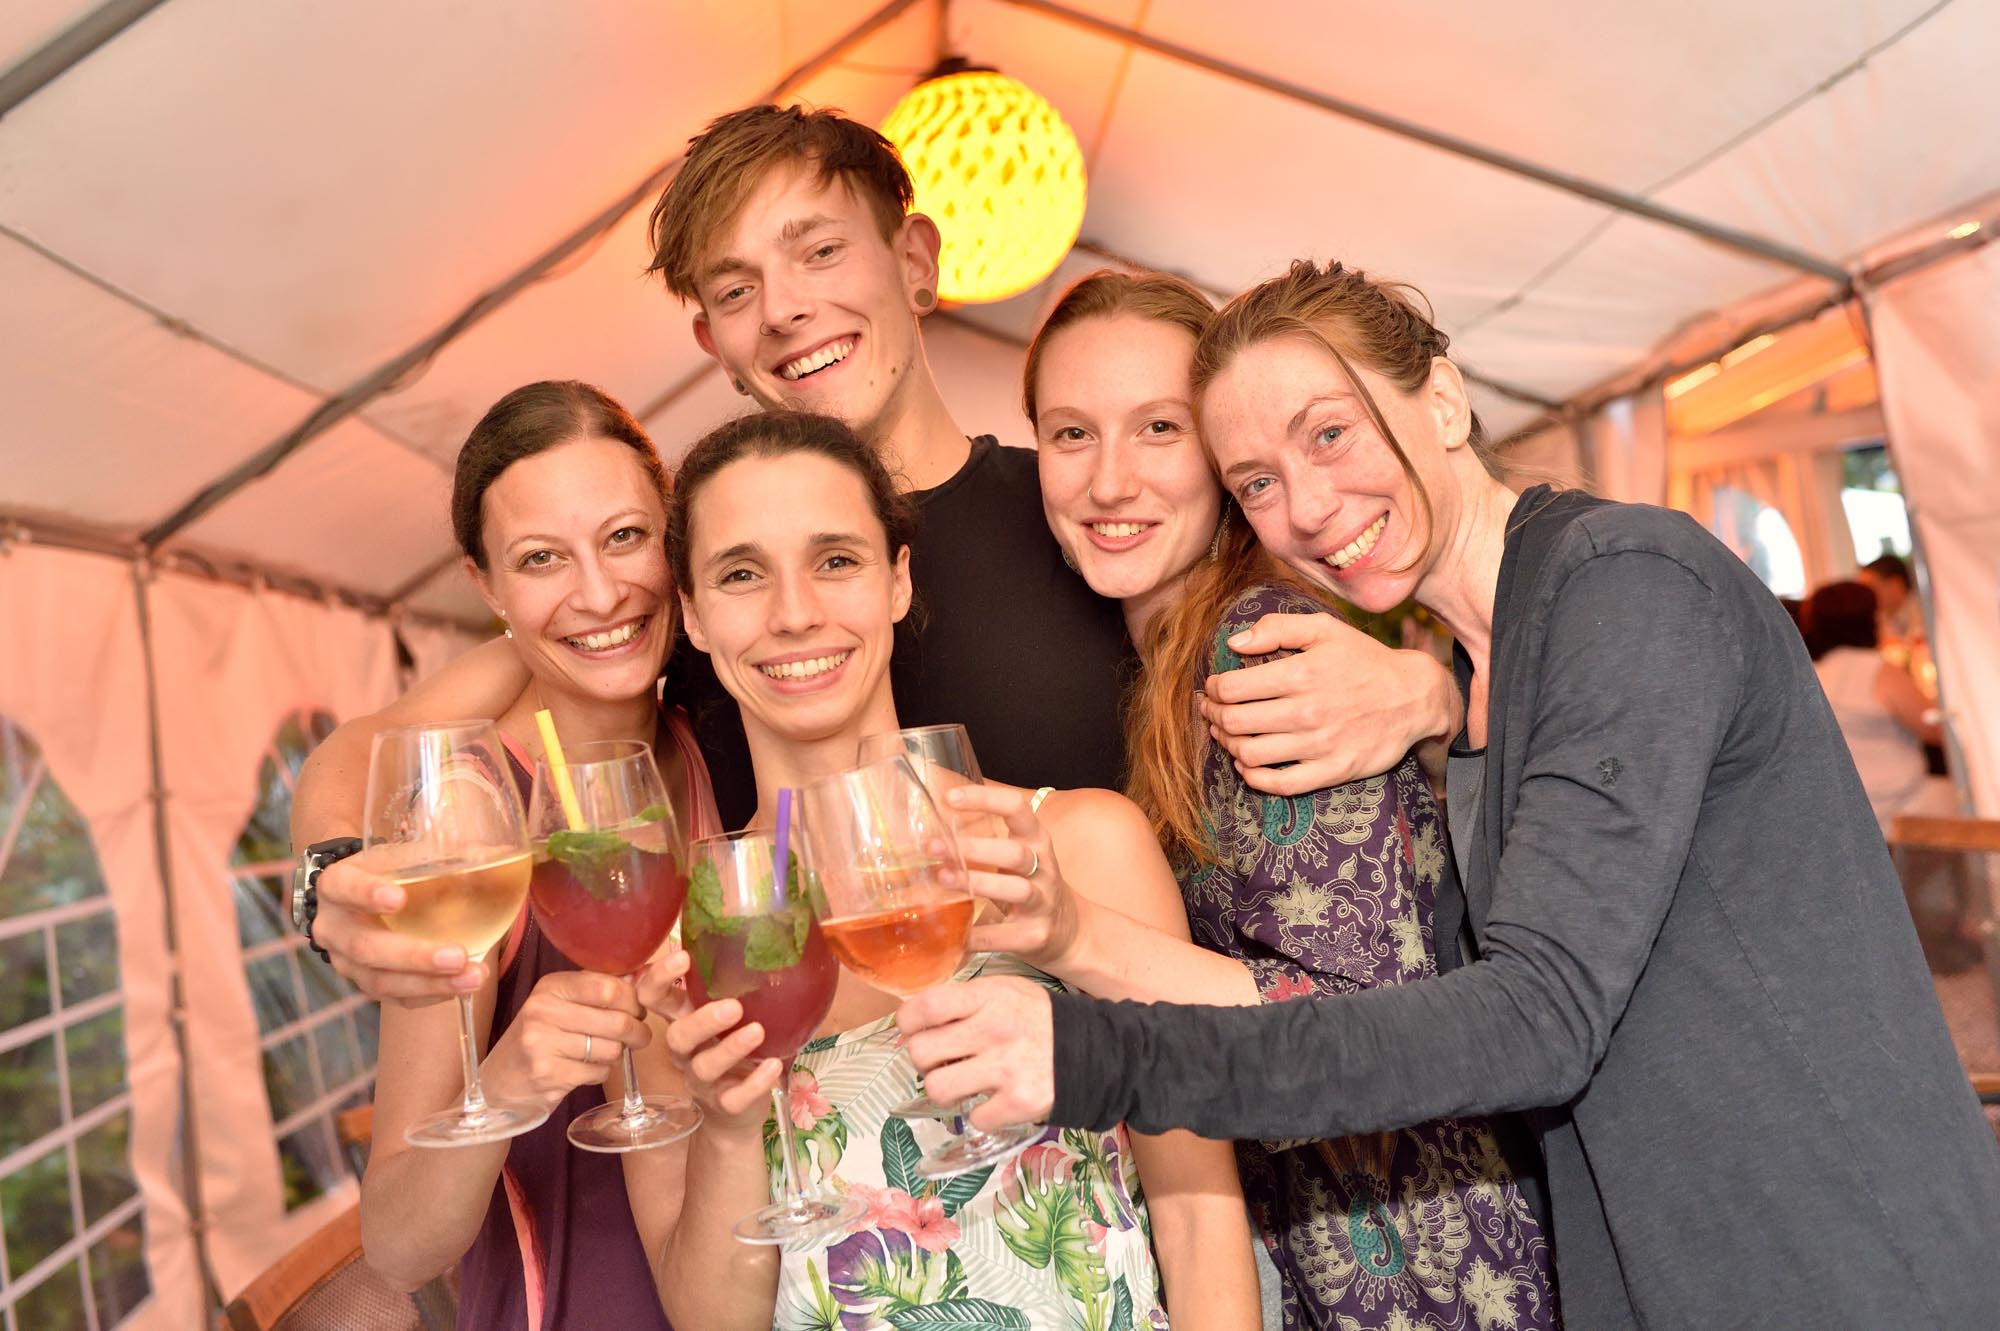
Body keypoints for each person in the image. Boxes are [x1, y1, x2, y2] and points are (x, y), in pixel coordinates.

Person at [899, 260, 2000, 1327]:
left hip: (1833, 1253)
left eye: (1329, 433)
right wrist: (1430, 697)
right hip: (1665, 1251)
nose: (1308, 504)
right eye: (1258, 481)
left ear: (1443, 399)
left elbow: (1536, 1017)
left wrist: (1095, 1045)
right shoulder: (1484, 671)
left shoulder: (1624, 580)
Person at [288, 102, 1460, 1009]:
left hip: (1152, 1116)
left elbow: (1268, 604)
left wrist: (1429, 691)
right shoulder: (709, 586)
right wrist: (328, 885)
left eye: (816, 253)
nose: (785, 309)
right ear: (710, 340)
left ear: (914, 261)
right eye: (737, 289)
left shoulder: (1080, 515)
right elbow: (372, 745)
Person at [937, 268, 1553, 1329]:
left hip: (1420, 1263)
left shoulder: (1255, 651)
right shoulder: (1152, 668)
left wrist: (1072, 939)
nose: (1110, 480)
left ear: (1222, 459)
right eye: (1073, 434)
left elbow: (1356, 1023)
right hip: (1311, 1252)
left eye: (1159, 428)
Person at [623, 410, 1256, 1329]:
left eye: (835, 559)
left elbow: (1200, 1224)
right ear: (692, 613)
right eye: (742, 573)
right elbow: (710, 1322)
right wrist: (726, 1127)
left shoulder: (1075, 847)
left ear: (898, 579)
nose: (794, 612)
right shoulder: (674, 949)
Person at [353, 382, 720, 1329]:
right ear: (488, 588)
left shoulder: (704, 742)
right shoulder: (468, 814)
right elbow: (397, 1244)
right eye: (541, 558)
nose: (598, 593)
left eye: (625, 537)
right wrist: (508, 1082)